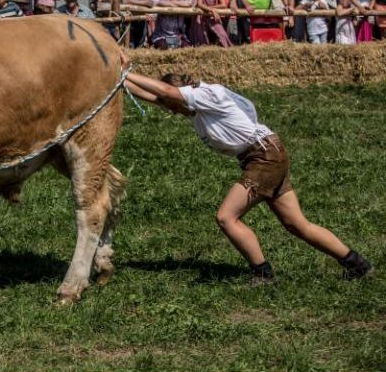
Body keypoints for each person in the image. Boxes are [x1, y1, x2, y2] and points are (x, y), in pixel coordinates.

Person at [124, 72, 373, 284]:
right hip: (267, 154)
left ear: (180, 92)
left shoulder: (205, 95)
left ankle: (262, 274)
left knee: (226, 217)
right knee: (296, 224)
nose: (172, 111)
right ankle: (357, 264)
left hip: (263, 157)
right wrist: (118, 76)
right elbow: (159, 96)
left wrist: (125, 71)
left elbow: (165, 91)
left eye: (172, 103)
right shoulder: (196, 107)